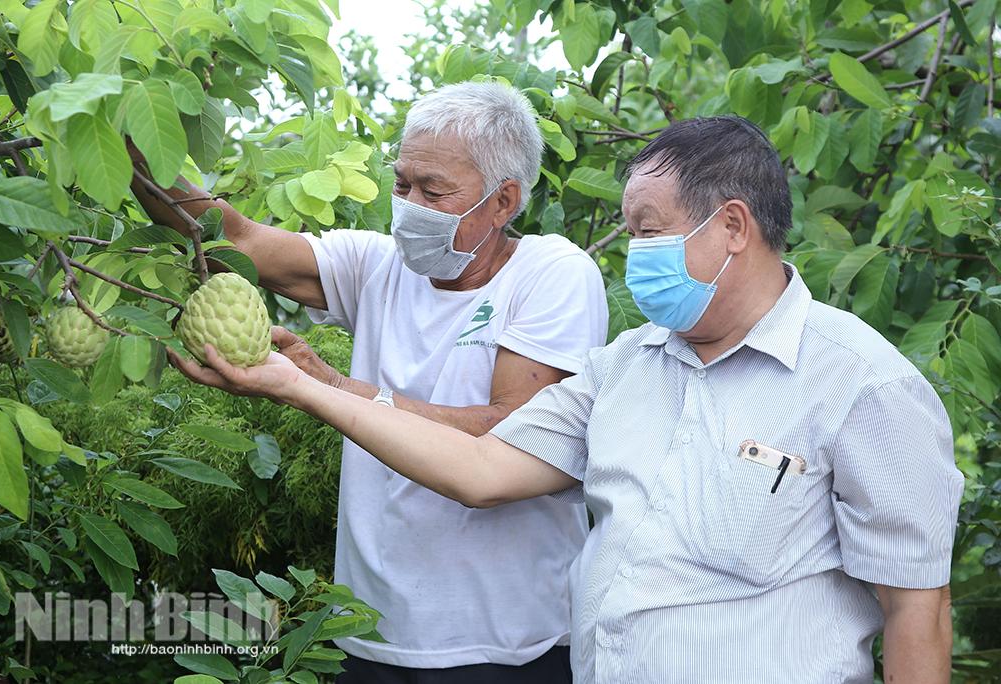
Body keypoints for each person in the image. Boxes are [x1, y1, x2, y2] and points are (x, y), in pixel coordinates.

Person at [169, 115, 965, 684]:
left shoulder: (863, 385)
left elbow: (916, 615)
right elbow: (481, 468)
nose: (634, 255)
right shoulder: (627, 369)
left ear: (732, 227)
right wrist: (306, 388)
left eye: (649, 231)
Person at [132, 81, 608, 683]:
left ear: (503, 200)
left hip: (504, 644)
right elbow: (239, 239)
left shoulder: (551, 273)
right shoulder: (379, 263)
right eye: (402, 183)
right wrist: (126, 139)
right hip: (368, 633)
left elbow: (507, 436)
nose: (407, 204)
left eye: (433, 190)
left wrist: (328, 385)